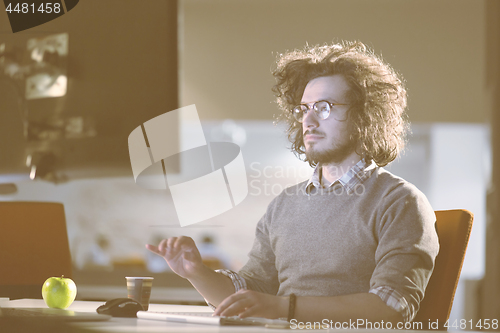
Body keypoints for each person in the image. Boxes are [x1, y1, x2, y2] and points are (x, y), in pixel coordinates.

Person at [146, 40, 439, 325]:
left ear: (366, 115)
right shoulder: (283, 205)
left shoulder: (400, 201)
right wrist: (196, 272)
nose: (308, 121)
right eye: (303, 109)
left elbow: (390, 307)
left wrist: (282, 307)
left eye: (324, 107)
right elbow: (252, 290)